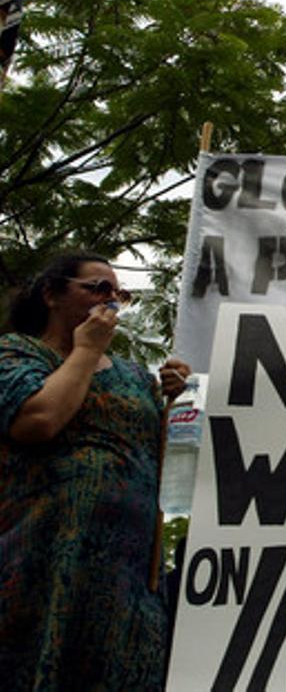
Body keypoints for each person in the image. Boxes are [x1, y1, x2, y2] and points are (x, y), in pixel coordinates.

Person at [0, 253, 190, 690]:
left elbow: (153, 456)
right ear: (52, 293)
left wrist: (174, 403)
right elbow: (38, 420)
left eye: (118, 293)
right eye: (97, 289)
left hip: (128, 572)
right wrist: (86, 350)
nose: (111, 300)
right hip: (45, 559)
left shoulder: (132, 376)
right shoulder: (18, 353)